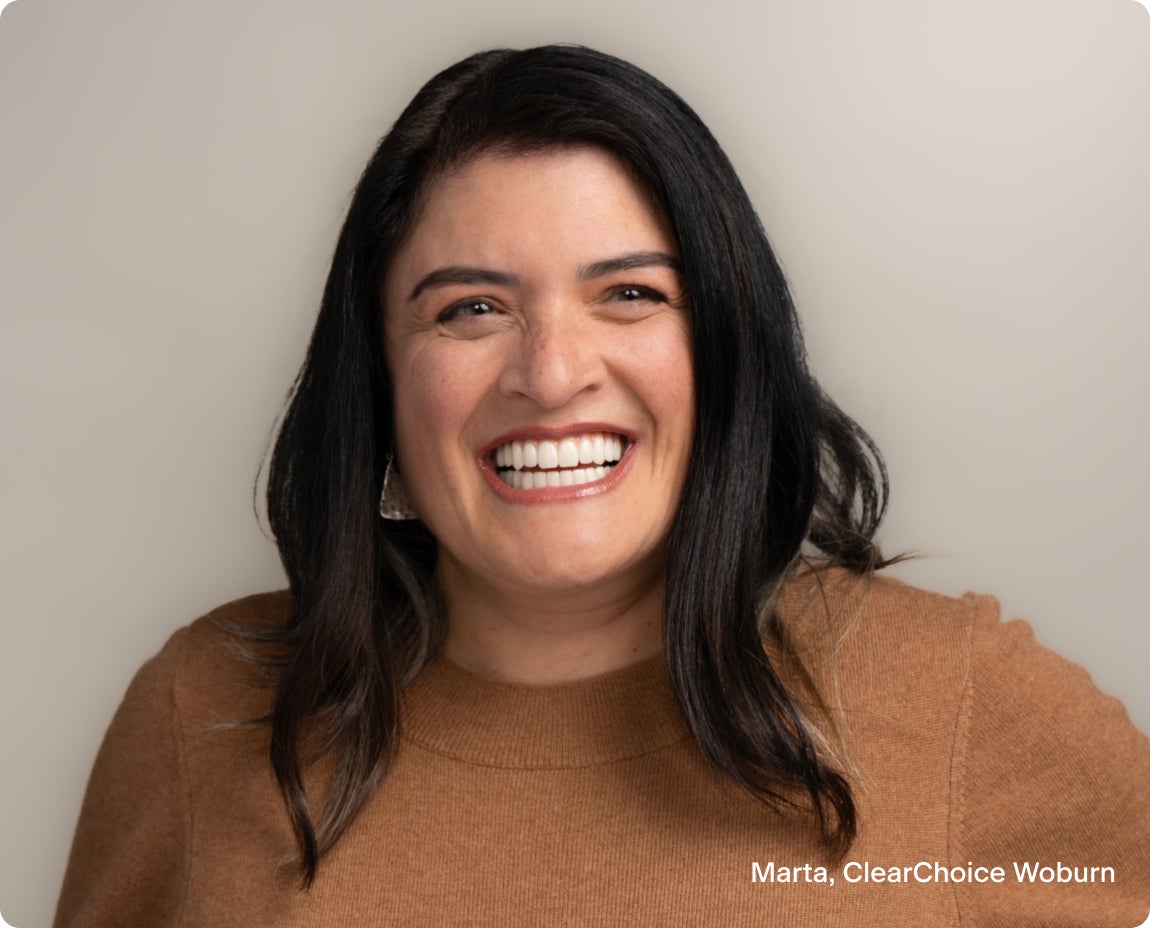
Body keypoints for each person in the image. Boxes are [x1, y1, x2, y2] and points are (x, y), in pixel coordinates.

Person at [53, 45, 1150, 927]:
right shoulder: (203, 716)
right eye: (469, 308)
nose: (551, 371)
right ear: (379, 385)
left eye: (628, 293)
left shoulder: (958, 700)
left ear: (726, 354)